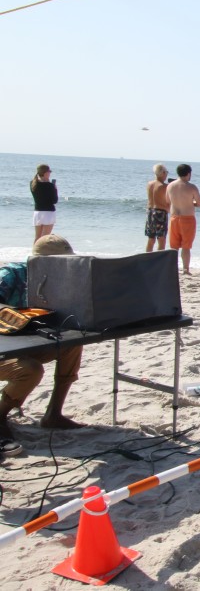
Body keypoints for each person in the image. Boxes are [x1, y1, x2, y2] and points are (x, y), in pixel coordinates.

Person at [0, 235, 85, 457]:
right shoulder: (11, 275)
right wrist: (16, 317)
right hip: (4, 348)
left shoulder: (61, 280)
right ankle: (0, 415)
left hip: (28, 343)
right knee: (30, 370)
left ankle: (53, 414)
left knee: (72, 344)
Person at [166, 164, 200, 275]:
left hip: (174, 218)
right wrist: (192, 203)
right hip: (187, 218)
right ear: (188, 173)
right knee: (186, 247)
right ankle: (185, 269)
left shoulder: (170, 186)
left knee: (174, 247)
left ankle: (172, 269)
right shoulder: (191, 187)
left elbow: (168, 201)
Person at [145, 164, 171, 252]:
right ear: (162, 173)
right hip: (160, 213)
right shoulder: (164, 186)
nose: (167, 174)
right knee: (161, 240)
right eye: (166, 172)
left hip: (150, 211)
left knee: (151, 239)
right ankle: (159, 259)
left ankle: (148, 258)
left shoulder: (149, 184)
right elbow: (168, 201)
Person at [30, 164, 58, 241]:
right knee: (45, 238)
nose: (50, 174)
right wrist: (55, 189)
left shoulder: (32, 183)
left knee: (37, 237)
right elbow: (54, 201)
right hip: (48, 213)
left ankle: (35, 249)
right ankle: (42, 250)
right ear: (45, 173)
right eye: (49, 172)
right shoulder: (50, 186)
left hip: (37, 213)